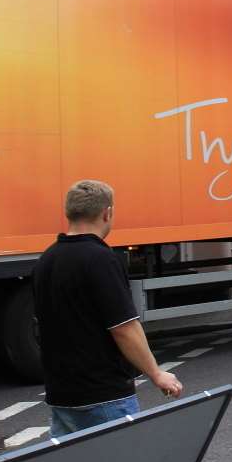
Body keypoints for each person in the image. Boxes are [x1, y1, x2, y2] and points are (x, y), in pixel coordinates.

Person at [33, 180, 182, 437]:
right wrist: (156, 374)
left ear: (69, 212)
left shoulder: (47, 259)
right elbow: (124, 327)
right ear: (106, 213)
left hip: (61, 394)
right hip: (103, 395)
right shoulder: (100, 259)